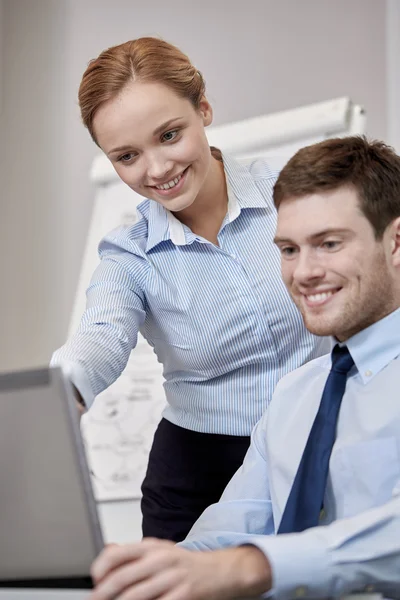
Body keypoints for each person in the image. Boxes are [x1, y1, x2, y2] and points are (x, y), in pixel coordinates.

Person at [87, 135, 400, 600]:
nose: (303, 272)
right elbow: (234, 525)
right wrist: (154, 570)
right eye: (289, 250)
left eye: (329, 243)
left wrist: (254, 566)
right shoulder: (297, 394)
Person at [51, 37, 328, 541]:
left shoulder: (296, 192)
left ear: (204, 108)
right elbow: (101, 336)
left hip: (321, 440)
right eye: (128, 155)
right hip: (199, 473)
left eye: (170, 134)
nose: (157, 169)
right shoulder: (130, 254)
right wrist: (59, 393)